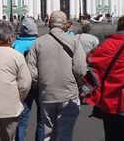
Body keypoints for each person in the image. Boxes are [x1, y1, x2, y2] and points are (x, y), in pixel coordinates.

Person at [27, 11, 86, 141]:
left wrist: (39, 84)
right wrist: (82, 87)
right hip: (68, 93)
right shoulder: (74, 41)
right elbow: (80, 68)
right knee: (65, 133)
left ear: (49, 24)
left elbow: (31, 70)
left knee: (48, 133)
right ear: (65, 25)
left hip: (46, 93)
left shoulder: (38, 42)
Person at [13, 17, 44, 141]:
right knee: (42, 120)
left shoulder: (15, 44)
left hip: (22, 85)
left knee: (22, 119)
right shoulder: (40, 43)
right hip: (39, 84)